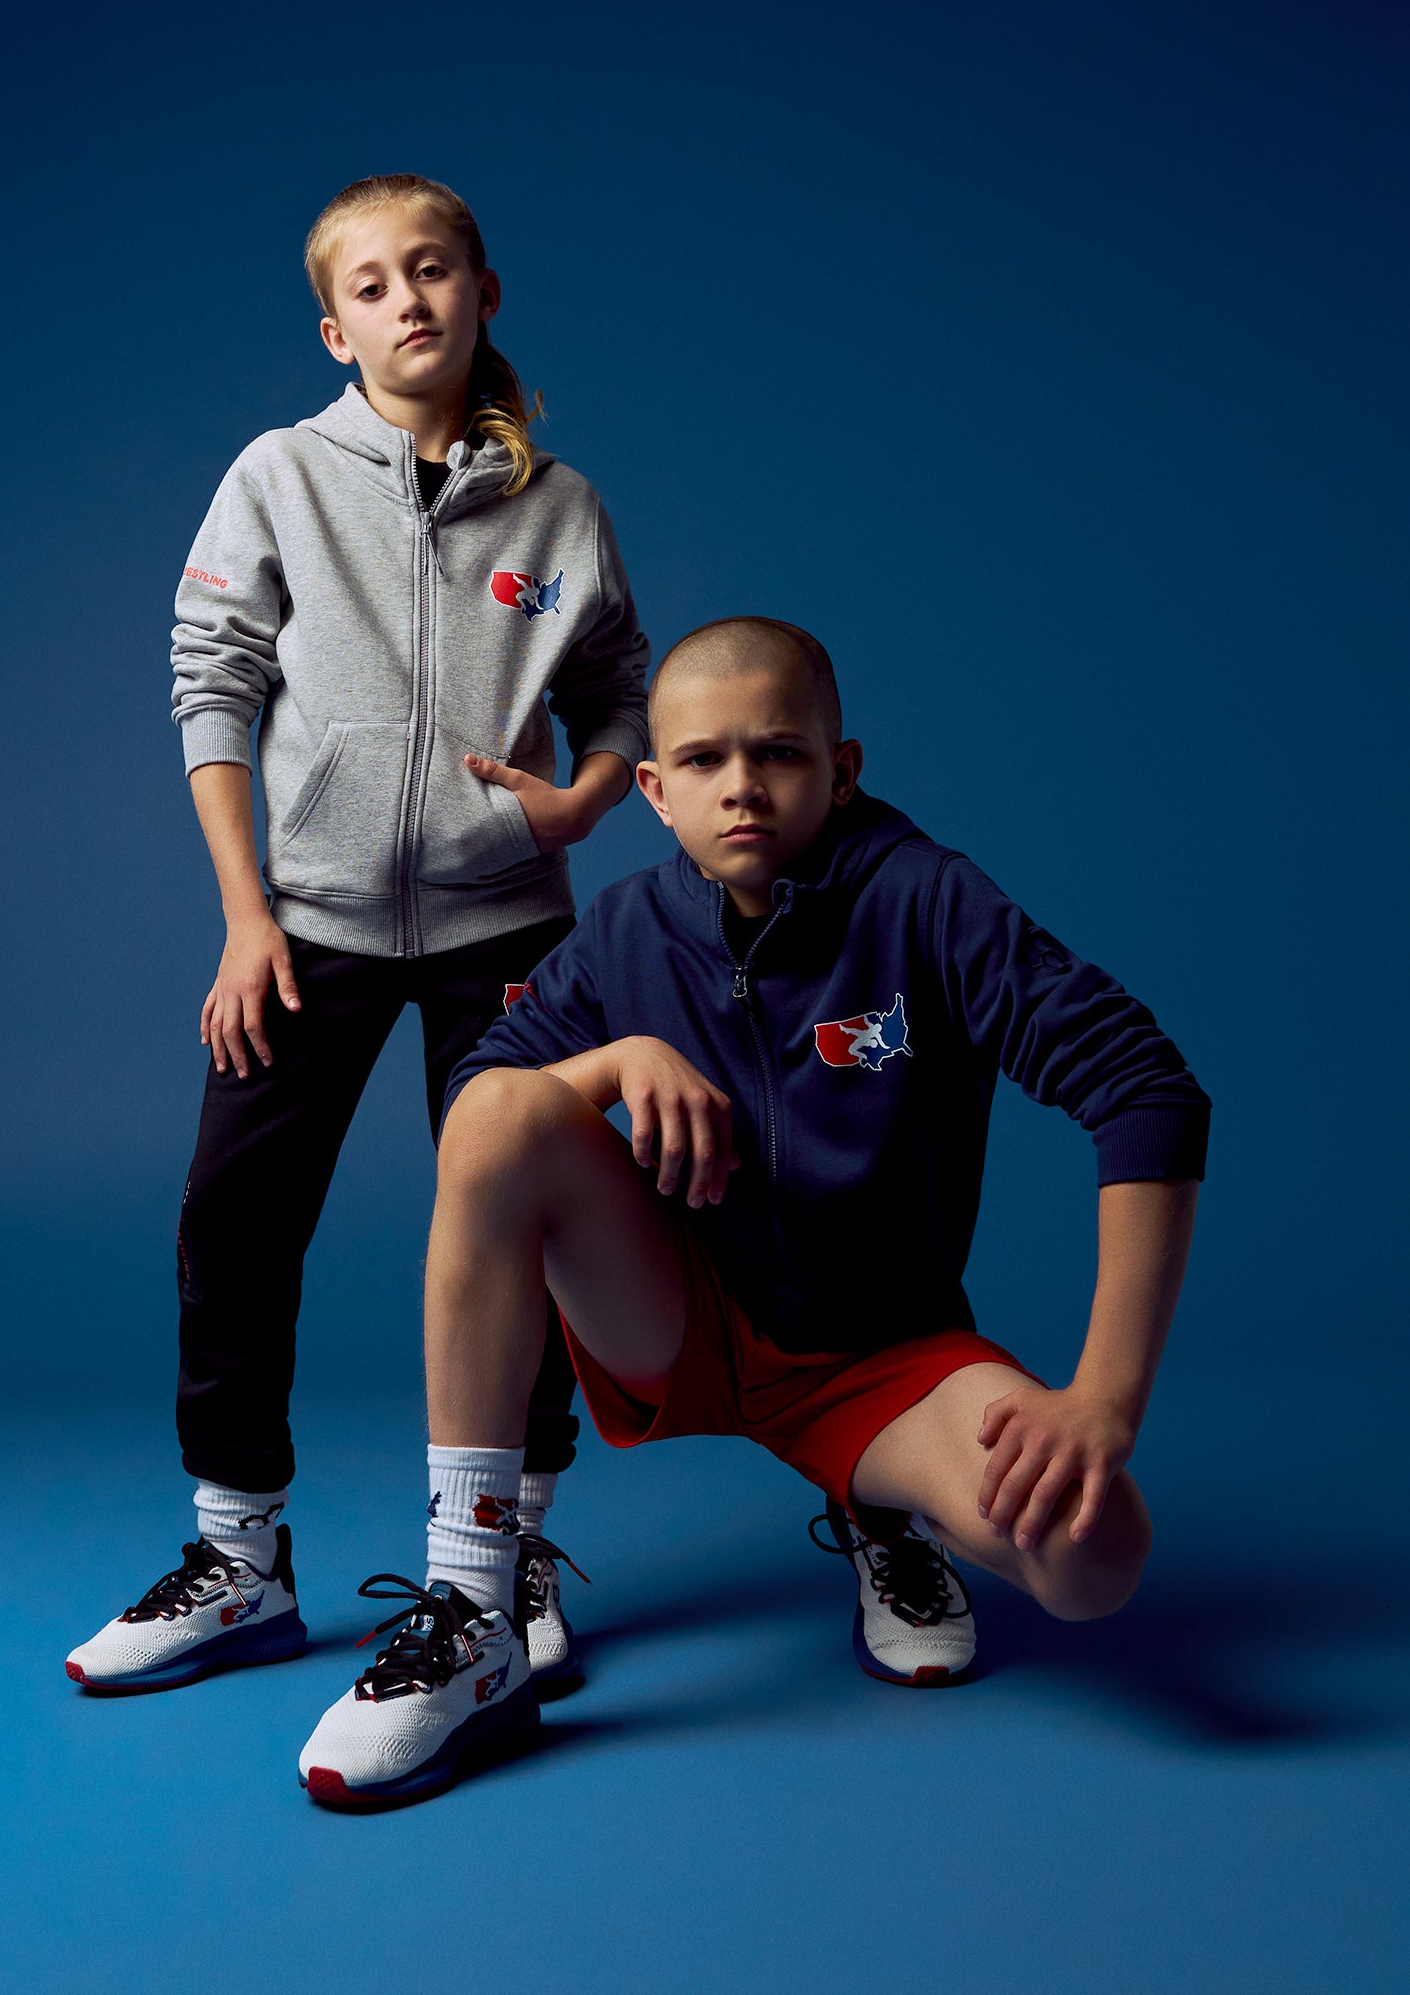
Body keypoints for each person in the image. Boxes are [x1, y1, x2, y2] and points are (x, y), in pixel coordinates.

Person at [296, 615, 1208, 1809]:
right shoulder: (626, 929)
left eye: (778, 753)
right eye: (709, 762)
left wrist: (1103, 1399)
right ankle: (473, 1606)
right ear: (658, 792)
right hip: (677, 1316)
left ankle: (883, 1504)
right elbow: (480, 1108)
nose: (745, 788)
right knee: (505, 1118)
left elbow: (1146, 1088)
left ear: (842, 767)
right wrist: (618, 1061)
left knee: (1099, 1553)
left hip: (879, 1362)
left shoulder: (923, 896)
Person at [64, 174, 649, 1696]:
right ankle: (240, 1559)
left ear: (483, 291)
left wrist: (581, 809)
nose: (410, 300)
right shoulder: (277, 475)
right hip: (308, 924)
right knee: (235, 1222)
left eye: (434, 270)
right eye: (374, 286)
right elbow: (214, 678)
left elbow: (625, 696)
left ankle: (504, 1548)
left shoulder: (561, 505)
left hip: (506, 924)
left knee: (510, 1229)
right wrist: (245, 915)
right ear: (336, 331)